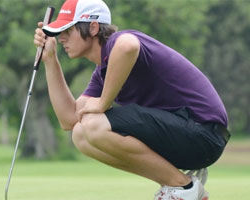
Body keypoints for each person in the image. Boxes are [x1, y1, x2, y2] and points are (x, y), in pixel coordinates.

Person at [34, 0, 231, 199]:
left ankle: (184, 188)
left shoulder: (118, 42)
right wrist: (51, 60)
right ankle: (177, 186)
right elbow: (69, 120)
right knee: (80, 134)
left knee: (94, 124)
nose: (61, 39)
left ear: (93, 27)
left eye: (68, 30)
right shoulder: (103, 72)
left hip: (203, 134)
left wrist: (103, 102)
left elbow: (128, 46)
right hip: (188, 139)